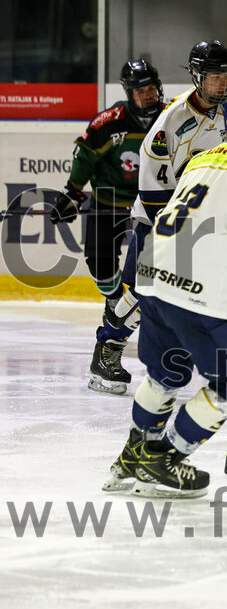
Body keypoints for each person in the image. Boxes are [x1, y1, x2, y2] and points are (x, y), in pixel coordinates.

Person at [104, 86, 227, 498]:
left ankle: (132, 456)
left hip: (152, 276)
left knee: (165, 375)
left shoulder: (202, 158)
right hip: (199, 287)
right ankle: (164, 458)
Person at [90, 40, 227, 395]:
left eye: (226, 77)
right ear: (197, 76)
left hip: (211, 221)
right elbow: (152, 188)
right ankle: (107, 349)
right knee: (144, 293)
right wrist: (177, 233)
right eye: (213, 78)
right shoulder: (171, 122)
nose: (221, 85)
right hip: (162, 220)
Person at [48, 59, 165, 395]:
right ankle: (115, 301)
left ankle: (125, 320)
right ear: (129, 94)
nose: (147, 95)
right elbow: (85, 155)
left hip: (152, 203)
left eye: (150, 88)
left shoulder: (171, 117)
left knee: (149, 274)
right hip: (110, 198)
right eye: (140, 91)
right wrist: (72, 193)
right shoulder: (108, 122)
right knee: (99, 263)